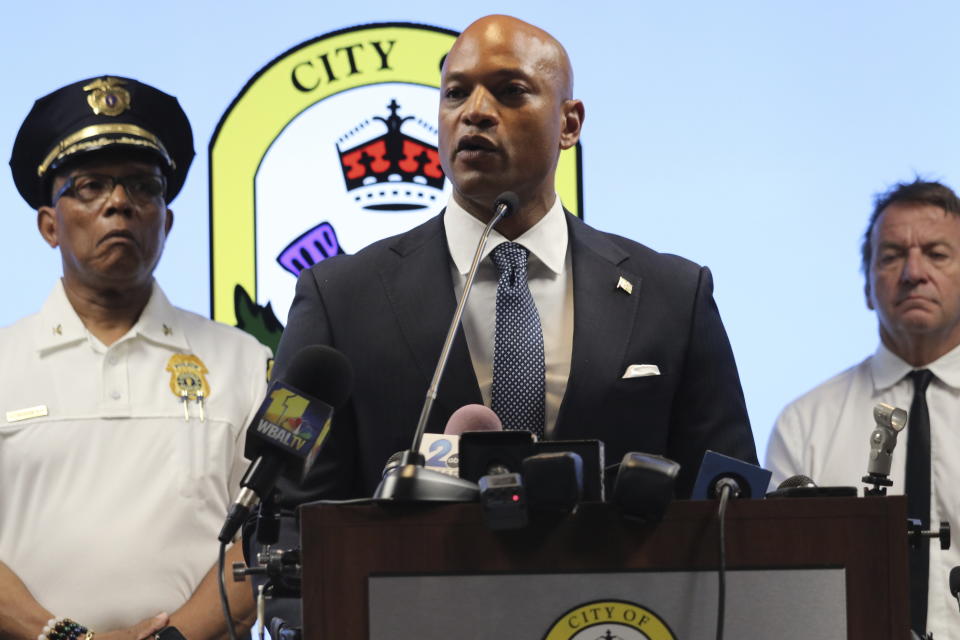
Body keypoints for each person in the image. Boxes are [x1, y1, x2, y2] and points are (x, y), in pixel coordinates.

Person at [273, 15, 757, 501]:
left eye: (509, 91)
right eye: (456, 93)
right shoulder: (339, 298)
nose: (475, 112)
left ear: (569, 124)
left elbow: (731, 504)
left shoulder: (673, 296)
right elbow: (284, 514)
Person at [0, 76, 271, 639]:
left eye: (143, 187)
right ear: (50, 224)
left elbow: (268, 535)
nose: (119, 203)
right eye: (91, 186)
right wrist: (63, 638)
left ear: (165, 221)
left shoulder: (242, 362)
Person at [766, 179, 960, 639]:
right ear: (868, 287)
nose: (913, 272)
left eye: (936, 253)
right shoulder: (804, 424)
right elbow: (783, 586)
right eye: (891, 256)